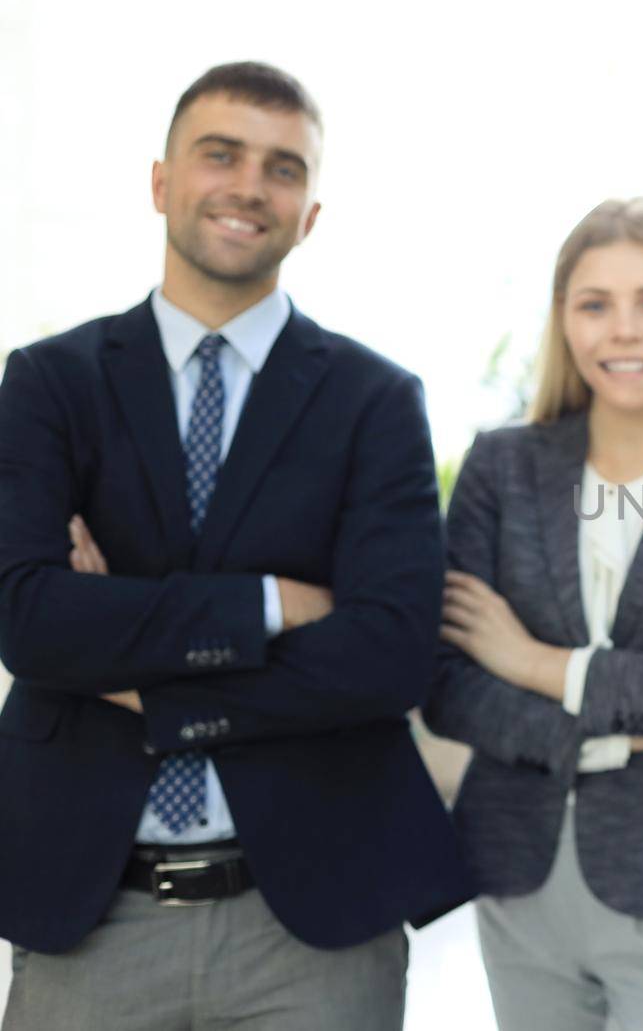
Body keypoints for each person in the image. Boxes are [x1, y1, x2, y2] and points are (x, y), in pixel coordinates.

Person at [0, 62, 471, 1030]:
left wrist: (130, 658)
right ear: (163, 181)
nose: (249, 184)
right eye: (220, 154)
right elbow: (30, 620)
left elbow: (387, 656)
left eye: (283, 167)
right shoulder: (50, 382)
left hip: (311, 924)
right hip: (90, 908)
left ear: (310, 213)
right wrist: (269, 602)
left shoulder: (375, 400)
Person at [423, 197, 643, 1030]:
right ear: (564, 319)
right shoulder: (502, 466)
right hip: (517, 876)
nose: (622, 331)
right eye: (595, 304)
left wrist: (534, 663)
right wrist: (621, 728)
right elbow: (448, 687)